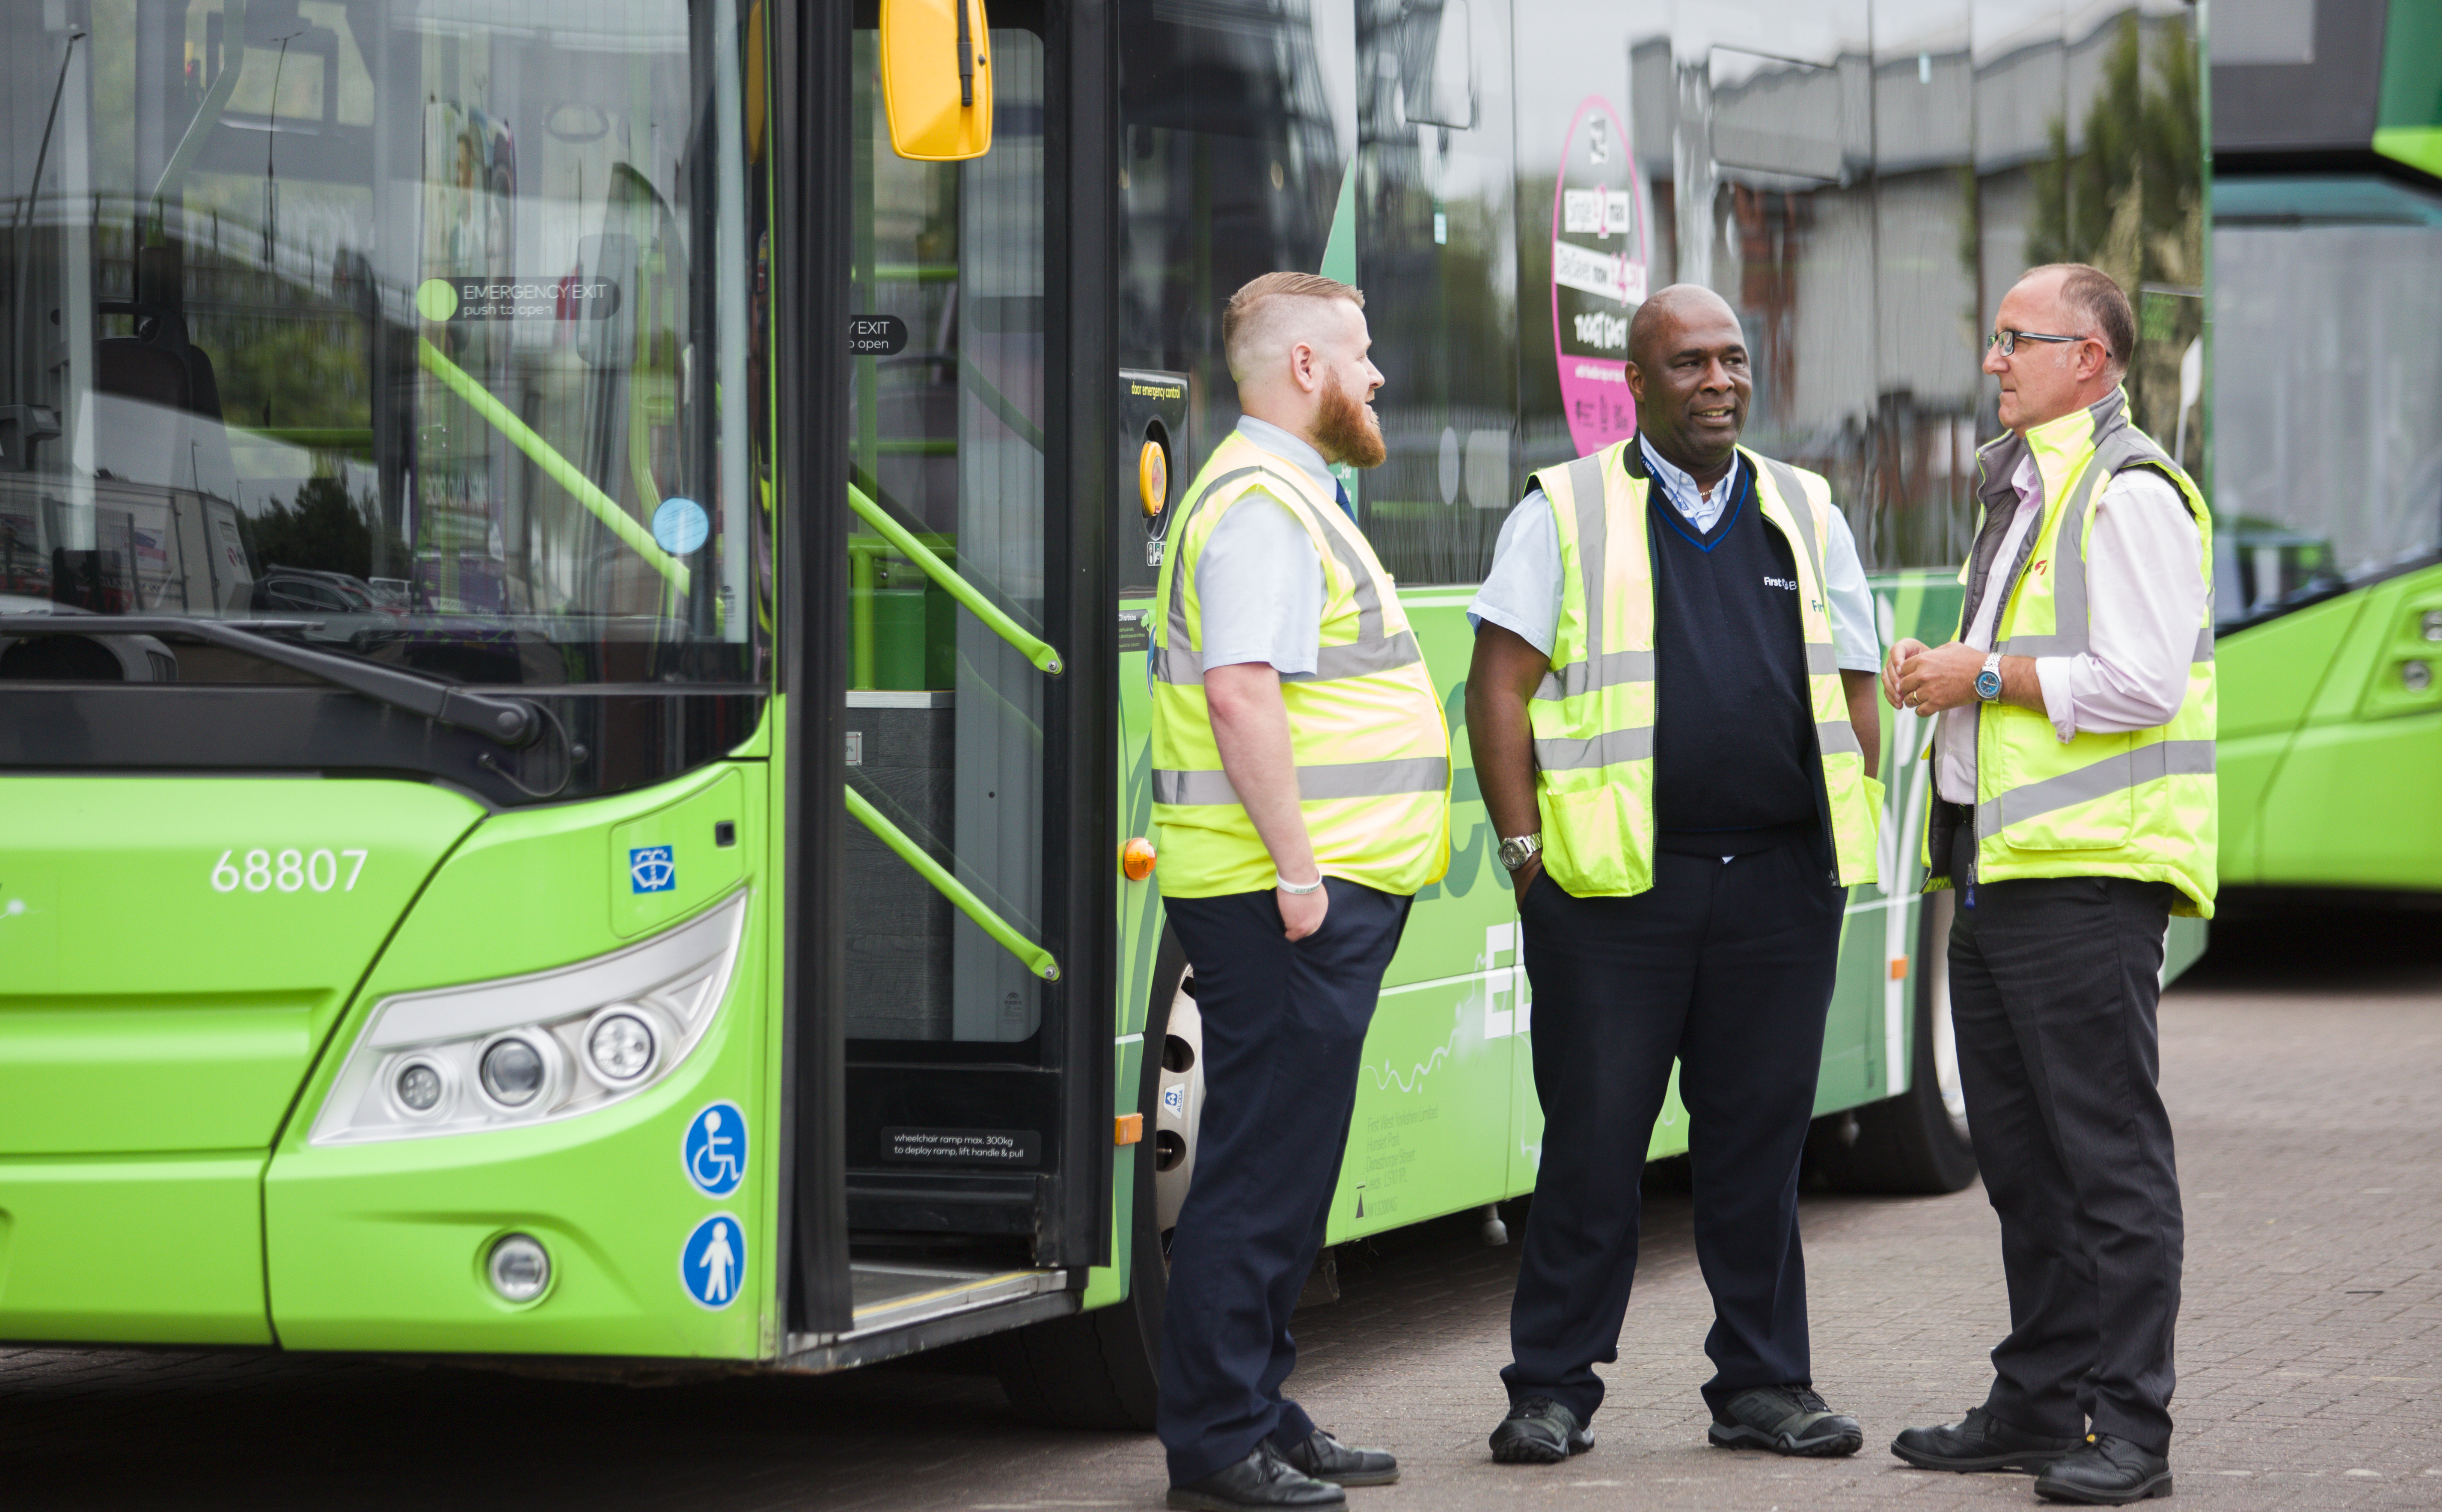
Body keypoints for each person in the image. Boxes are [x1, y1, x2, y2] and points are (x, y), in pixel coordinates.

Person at [1465, 285, 1885, 1466]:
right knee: (1593, 1145)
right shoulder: (1564, 510)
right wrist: (1522, 857)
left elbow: (1855, 680)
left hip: (1778, 891)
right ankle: (1549, 1387)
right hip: (1611, 900)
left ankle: (1761, 1385)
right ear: (1635, 386)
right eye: (1689, 363)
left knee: (1757, 1146)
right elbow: (1497, 684)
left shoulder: (1802, 508)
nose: (1717, 382)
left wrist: (1838, 836)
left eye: (1732, 361)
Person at [1884, 263, 2213, 1507]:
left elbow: (2141, 683)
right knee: (2023, 1162)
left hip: (2086, 878)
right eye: (1994, 337)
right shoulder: (2022, 488)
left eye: (2014, 339)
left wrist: (1981, 674)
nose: (1992, 359)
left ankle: (2129, 1428)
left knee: (2108, 1165)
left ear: (2091, 358)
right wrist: (1955, 674)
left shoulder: (2125, 493)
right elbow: (2028, 665)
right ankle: (2038, 1401)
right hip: (1998, 868)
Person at [1150, 271, 1453, 1512]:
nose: (1378, 374)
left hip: (1293, 895)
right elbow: (1240, 692)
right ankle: (1219, 1442)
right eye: (1361, 353)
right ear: (1306, 370)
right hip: (1279, 900)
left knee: (1286, 1168)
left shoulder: (1280, 494)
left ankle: (1257, 1408)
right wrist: (1296, 874)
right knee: (1261, 1172)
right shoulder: (1266, 503)